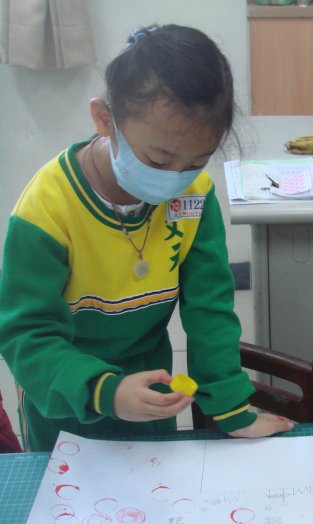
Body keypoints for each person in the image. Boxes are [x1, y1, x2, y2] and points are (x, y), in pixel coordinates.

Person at [0, 24, 293, 452]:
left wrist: (231, 407)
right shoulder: (45, 212)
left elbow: (209, 310)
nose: (174, 179)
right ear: (105, 120)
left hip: (150, 386)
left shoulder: (194, 196)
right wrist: (105, 391)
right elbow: (27, 337)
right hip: (65, 398)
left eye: (196, 161)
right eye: (158, 160)